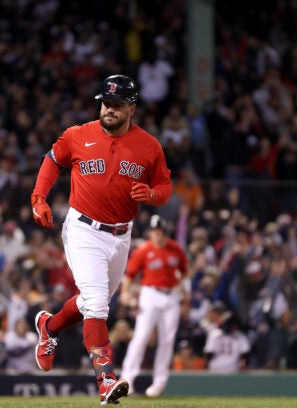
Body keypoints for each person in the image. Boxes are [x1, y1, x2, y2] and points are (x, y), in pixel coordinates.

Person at [30, 74, 173, 405]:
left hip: (122, 235)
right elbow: (52, 160)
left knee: (89, 304)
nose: (109, 109)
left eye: (117, 105)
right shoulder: (78, 135)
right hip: (83, 228)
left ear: (131, 109)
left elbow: (165, 187)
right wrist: (39, 197)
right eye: (106, 103)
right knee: (96, 303)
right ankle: (106, 380)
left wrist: (151, 194)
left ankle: (49, 327)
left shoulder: (149, 146)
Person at [120, 214, 188, 397]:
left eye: (159, 231)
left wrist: (185, 295)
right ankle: (126, 380)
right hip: (150, 294)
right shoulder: (143, 250)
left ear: (164, 231)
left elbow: (184, 272)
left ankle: (159, 384)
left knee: (167, 340)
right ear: (150, 232)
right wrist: (125, 293)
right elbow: (129, 276)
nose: (157, 234)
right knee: (141, 337)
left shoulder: (175, 248)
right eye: (154, 231)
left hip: (171, 295)